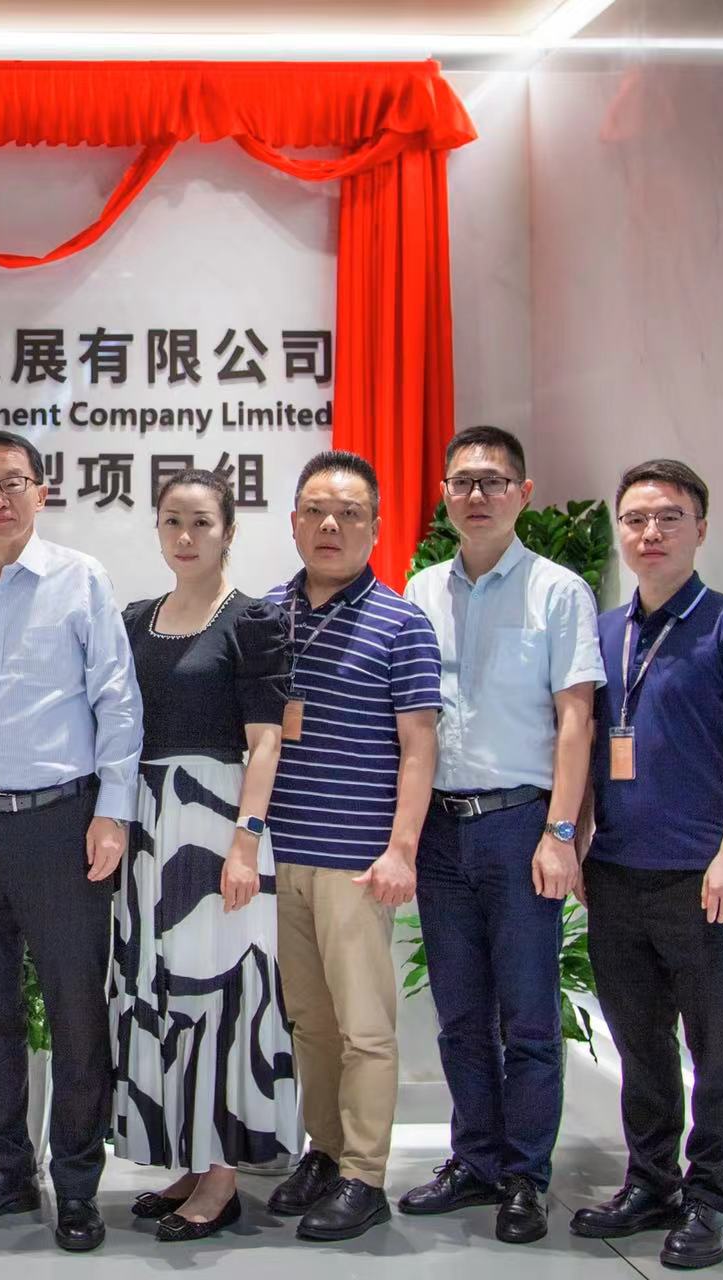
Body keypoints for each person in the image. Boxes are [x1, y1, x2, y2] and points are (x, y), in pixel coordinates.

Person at [0, 429, 143, 1253]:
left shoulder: (80, 579)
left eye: (13, 482)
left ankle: (77, 1183)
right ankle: (5, 1172)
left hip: (62, 825)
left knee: (77, 1012)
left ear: (41, 492)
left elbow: (117, 701)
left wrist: (112, 811)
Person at [570, 459, 723, 1271]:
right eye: (635, 519)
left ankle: (711, 1199)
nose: (649, 533)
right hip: (617, 872)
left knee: (716, 1047)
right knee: (641, 1042)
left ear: (701, 528)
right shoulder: (606, 632)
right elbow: (590, 746)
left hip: (703, 877)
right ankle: (652, 1181)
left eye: (668, 517)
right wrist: (579, 842)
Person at [400, 425, 605, 1245]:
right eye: (462, 482)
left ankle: (524, 1176)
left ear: (523, 493)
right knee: (458, 1014)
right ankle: (475, 1159)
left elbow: (576, 719)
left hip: (522, 824)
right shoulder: (421, 591)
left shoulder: (558, 591)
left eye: (492, 481)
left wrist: (561, 831)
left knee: (527, 1017)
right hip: (442, 831)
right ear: (444, 497)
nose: (476, 495)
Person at [112, 468, 298, 1243]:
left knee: (219, 993)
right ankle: (186, 1159)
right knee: (157, 989)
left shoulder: (254, 620)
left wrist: (245, 842)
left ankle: (222, 1176)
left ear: (228, 531)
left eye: (201, 523)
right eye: (172, 522)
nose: (185, 536)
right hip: (147, 824)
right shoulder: (135, 620)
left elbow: (267, 740)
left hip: (219, 824)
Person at [260, 450, 441, 1243]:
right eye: (315, 510)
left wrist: (402, 850)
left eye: (349, 513)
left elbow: (419, 745)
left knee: (365, 1027)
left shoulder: (401, 623)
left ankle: (364, 1176)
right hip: (281, 856)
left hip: (358, 861)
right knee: (309, 1021)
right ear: (294, 521)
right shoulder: (265, 616)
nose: (329, 524)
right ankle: (325, 1150)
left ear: (375, 527)